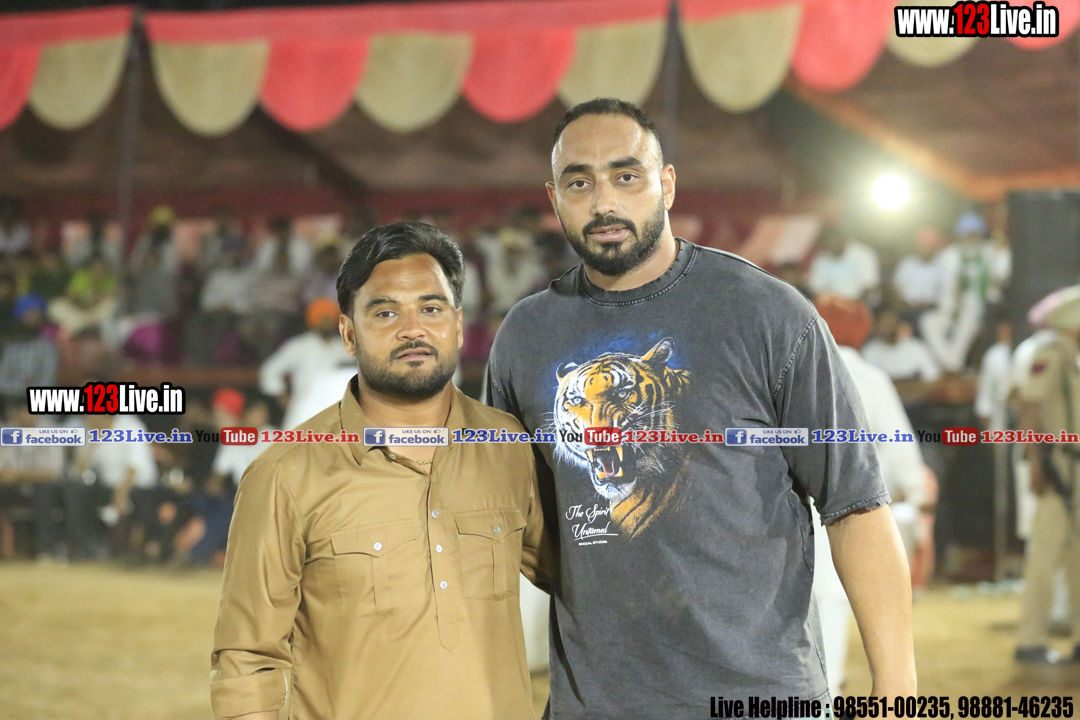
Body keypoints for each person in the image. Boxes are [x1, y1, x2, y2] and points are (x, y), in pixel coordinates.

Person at [485, 99, 916, 716]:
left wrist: (898, 692)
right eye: (580, 182)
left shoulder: (767, 314)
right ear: (554, 199)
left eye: (626, 176)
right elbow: (510, 515)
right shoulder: (526, 336)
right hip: (597, 705)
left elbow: (856, 505)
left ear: (666, 185)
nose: (604, 202)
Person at [211, 221, 549, 720]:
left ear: (458, 324)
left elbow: (585, 587)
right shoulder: (286, 473)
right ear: (349, 333)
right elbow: (247, 660)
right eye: (386, 312)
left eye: (430, 309)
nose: (413, 329)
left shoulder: (510, 450)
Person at [812, 295, 934, 695]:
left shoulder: (789, 367)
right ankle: (828, 689)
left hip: (787, 503)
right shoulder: (870, 377)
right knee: (831, 596)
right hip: (850, 505)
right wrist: (915, 490)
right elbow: (899, 444)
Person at [1013, 286, 1080, 664]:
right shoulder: (1050, 356)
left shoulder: (1071, 357)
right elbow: (1030, 409)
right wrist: (1035, 463)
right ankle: (1031, 639)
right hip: (1058, 468)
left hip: (1075, 467)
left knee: (1077, 558)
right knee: (1045, 553)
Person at [258, 298, 355, 430]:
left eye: (330, 318)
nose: (326, 322)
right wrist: (282, 395)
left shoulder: (344, 347)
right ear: (312, 321)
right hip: (304, 409)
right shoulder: (299, 346)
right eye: (322, 318)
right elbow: (269, 371)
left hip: (337, 411)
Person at [0, 295, 58, 416]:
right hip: (12, 401)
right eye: (27, 312)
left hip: (41, 402)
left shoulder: (48, 345)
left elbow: (48, 379)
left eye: (35, 312)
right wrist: (22, 387)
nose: (31, 317)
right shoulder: (11, 347)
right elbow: (3, 379)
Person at [862, 308, 942, 383]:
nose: (888, 329)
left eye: (891, 324)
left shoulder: (915, 347)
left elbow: (932, 377)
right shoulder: (870, 350)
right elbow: (868, 381)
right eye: (884, 325)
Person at [807, 224, 880, 302]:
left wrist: (849, 304)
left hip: (859, 302)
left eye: (833, 242)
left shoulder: (864, 254)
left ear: (842, 240)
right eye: (827, 244)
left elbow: (869, 288)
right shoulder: (822, 259)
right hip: (832, 302)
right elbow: (815, 288)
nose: (831, 246)